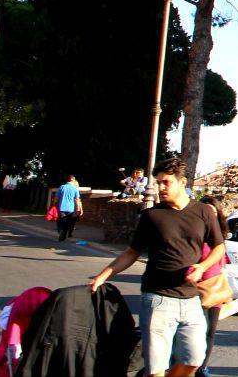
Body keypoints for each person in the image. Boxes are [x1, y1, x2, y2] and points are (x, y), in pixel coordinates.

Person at [89, 157, 225, 377]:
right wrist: (103, 276)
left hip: (191, 300)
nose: (160, 187)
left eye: (166, 182)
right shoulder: (152, 216)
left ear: (182, 182)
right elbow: (131, 253)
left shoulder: (203, 212)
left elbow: (218, 247)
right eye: (158, 182)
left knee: (194, 359)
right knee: (156, 370)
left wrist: (202, 267)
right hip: (157, 299)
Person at [195, 196, 231, 377]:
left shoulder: (219, 238)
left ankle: (202, 368)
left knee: (210, 332)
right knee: (193, 332)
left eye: (213, 212)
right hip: (194, 291)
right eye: (205, 211)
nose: (209, 215)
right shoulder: (193, 235)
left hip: (214, 292)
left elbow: (222, 263)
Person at [55, 173, 84, 241]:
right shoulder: (75, 189)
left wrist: (54, 204)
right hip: (70, 209)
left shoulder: (62, 187)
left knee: (61, 220)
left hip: (61, 208)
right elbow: (77, 200)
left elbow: (56, 198)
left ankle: (61, 231)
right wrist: (78, 209)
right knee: (67, 223)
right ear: (72, 180)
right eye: (74, 180)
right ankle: (63, 234)